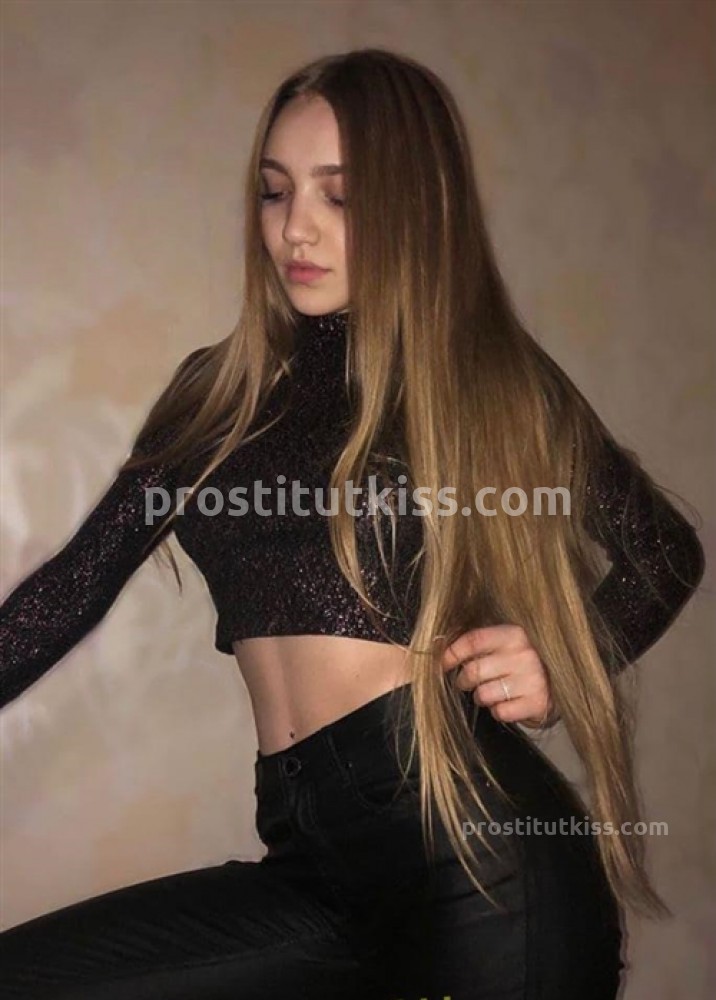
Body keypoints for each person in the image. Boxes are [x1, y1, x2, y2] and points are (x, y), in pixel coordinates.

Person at [0, 47, 705, 1000]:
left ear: (417, 207)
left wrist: (566, 653)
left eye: (342, 196)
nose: (297, 227)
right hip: (308, 859)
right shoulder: (214, 394)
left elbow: (663, 550)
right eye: (274, 191)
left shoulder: (480, 376)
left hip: (481, 872)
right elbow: (70, 588)